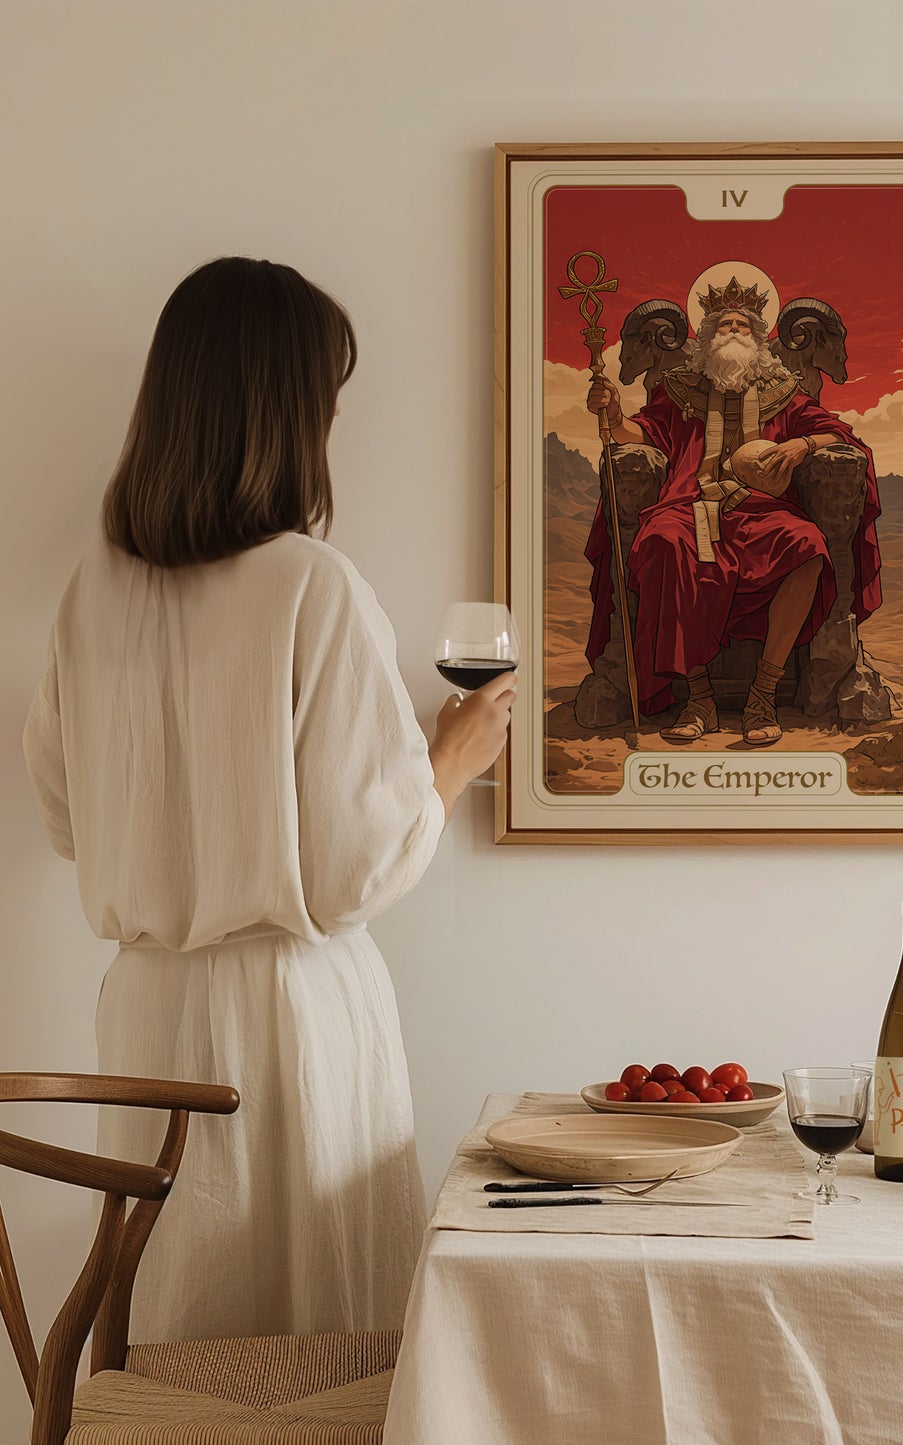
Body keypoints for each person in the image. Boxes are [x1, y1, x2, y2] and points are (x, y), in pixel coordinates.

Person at [21, 256, 512, 1342]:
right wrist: (450, 758)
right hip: (289, 1018)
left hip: (145, 1008)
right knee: (312, 1343)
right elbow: (351, 871)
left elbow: (65, 816)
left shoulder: (92, 590)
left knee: (177, 1327)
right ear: (287, 412)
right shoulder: (309, 583)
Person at [584, 276, 883, 746]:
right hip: (688, 505)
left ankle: (762, 694)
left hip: (760, 509)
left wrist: (803, 444)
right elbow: (635, 435)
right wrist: (611, 413)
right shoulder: (679, 390)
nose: (733, 330)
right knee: (661, 541)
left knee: (807, 546)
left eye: (742, 325)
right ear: (706, 340)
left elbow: (842, 436)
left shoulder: (783, 390)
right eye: (723, 325)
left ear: (759, 339)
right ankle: (697, 697)